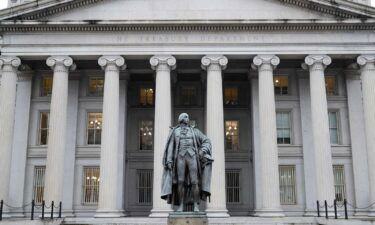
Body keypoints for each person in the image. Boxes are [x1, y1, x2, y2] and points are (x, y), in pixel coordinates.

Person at [161, 113, 213, 212]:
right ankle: (180, 205)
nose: (187, 118)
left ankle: (196, 205)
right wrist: (169, 160)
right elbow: (171, 146)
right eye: (186, 117)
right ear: (181, 119)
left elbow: (206, 141)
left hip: (192, 156)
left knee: (194, 182)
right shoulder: (174, 131)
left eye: (188, 117)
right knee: (180, 182)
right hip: (180, 157)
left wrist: (202, 151)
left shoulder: (194, 131)